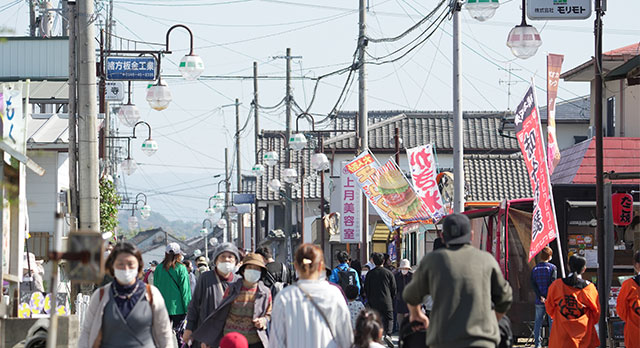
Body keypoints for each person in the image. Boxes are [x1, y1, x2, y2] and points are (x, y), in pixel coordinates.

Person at [403, 213, 513, 348]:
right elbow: (505, 297)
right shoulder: (486, 260)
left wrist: (417, 314)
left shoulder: (433, 261)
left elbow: (410, 295)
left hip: (443, 341)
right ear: (471, 235)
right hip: (482, 341)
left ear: (443, 237)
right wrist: (492, 320)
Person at [78, 242, 175, 348]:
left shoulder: (152, 294)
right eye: (120, 264)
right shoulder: (101, 295)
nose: (126, 268)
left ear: (138, 265)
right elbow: (87, 332)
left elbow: (164, 334)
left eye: (130, 264)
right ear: (112, 265)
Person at [269, 243, 353, 348]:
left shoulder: (284, 297)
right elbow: (346, 338)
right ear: (320, 266)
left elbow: (276, 342)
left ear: (296, 266)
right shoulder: (334, 294)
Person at [193, 253, 272, 348]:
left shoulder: (265, 292)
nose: (253, 271)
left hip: (255, 342)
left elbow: (269, 313)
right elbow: (220, 313)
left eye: (256, 269)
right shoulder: (232, 289)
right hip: (231, 341)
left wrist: (264, 320)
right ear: (243, 271)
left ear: (261, 272)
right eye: (250, 267)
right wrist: (209, 339)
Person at [184, 242, 240, 345]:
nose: (227, 259)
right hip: (206, 335)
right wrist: (189, 328)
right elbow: (195, 304)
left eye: (230, 256)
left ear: (236, 261)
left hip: (230, 335)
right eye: (222, 256)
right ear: (216, 260)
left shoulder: (239, 282)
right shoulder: (205, 278)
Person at [546, 255, 599, 348]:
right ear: (584, 269)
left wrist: (560, 316)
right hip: (583, 335)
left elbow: (549, 308)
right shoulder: (589, 288)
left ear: (568, 266)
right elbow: (596, 313)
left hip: (561, 335)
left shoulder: (556, 285)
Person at [153, 242, 192, 343]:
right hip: (178, 308)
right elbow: (185, 291)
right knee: (180, 337)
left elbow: (155, 289)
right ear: (179, 254)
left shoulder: (158, 268)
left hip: (162, 307)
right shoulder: (181, 268)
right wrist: (188, 308)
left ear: (165, 254)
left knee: (162, 336)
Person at [364, 252, 397, 340]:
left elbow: (366, 288)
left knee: (375, 320)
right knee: (389, 319)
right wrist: (392, 298)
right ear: (383, 261)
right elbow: (394, 288)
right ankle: (388, 335)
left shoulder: (370, 274)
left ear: (373, 262)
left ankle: (376, 336)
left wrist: (369, 298)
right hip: (387, 300)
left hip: (373, 301)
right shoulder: (389, 273)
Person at [530, 246, 557, 348]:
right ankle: (552, 344)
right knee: (552, 323)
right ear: (549, 256)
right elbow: (552, 283)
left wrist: (540, 296)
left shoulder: (535, 269)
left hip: (539, 299)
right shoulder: (552, 268)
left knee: (538, 323)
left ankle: (537, 344)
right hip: (550, 300)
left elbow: (533, 284)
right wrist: (547, 297)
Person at [616, 250, 640, 348]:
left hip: (634, 332)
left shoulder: (629, 285)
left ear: (637, 265)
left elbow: (621, 310)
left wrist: (631, 318)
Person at [394, 259, 413, 329]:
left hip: (409, 302)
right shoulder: (396, 277)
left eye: (406, 268)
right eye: (403, 268)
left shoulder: (412, 276)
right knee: (400, 322)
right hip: (399, 302)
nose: (404, 270)